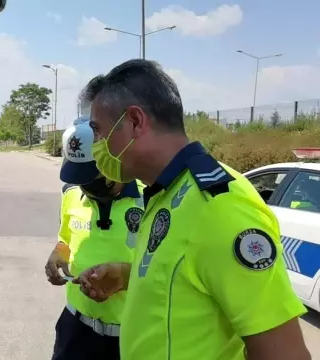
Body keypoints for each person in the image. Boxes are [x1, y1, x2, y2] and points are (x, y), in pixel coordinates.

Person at [74, 59, 310, 360]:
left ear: (134, 121)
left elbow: (284, 353)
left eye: (98, 130)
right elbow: (186, 279)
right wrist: (126, 275)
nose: (96, 144)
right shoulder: (164, 192)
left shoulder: (218, 207)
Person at [47, 117, 145, 360]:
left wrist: (126, 277)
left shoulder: (152, 198)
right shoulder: (71, 193)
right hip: (75, 330)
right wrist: (59, 253)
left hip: (133, 337)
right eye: (80, 179)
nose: (85, 188)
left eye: (93, 179)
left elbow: (175, 270)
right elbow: (66, 238)